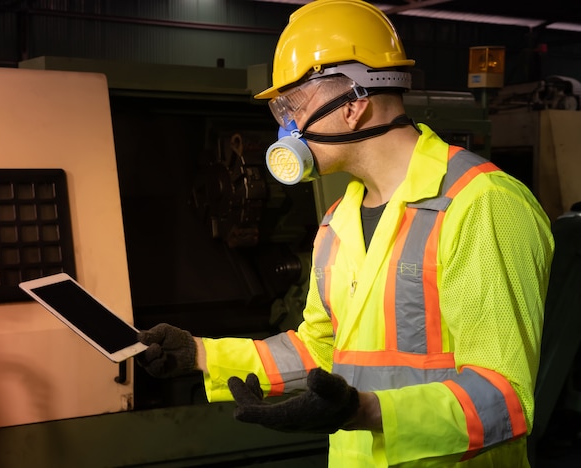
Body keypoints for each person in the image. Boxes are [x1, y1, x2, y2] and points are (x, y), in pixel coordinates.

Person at [136, 0, 555, 466]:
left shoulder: (481, 205)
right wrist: (200, 356)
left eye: (290, 106)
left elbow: (505, 398)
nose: (285, 128)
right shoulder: (338, 221)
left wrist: (367, 410)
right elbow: (320, 350)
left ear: (354, 105)